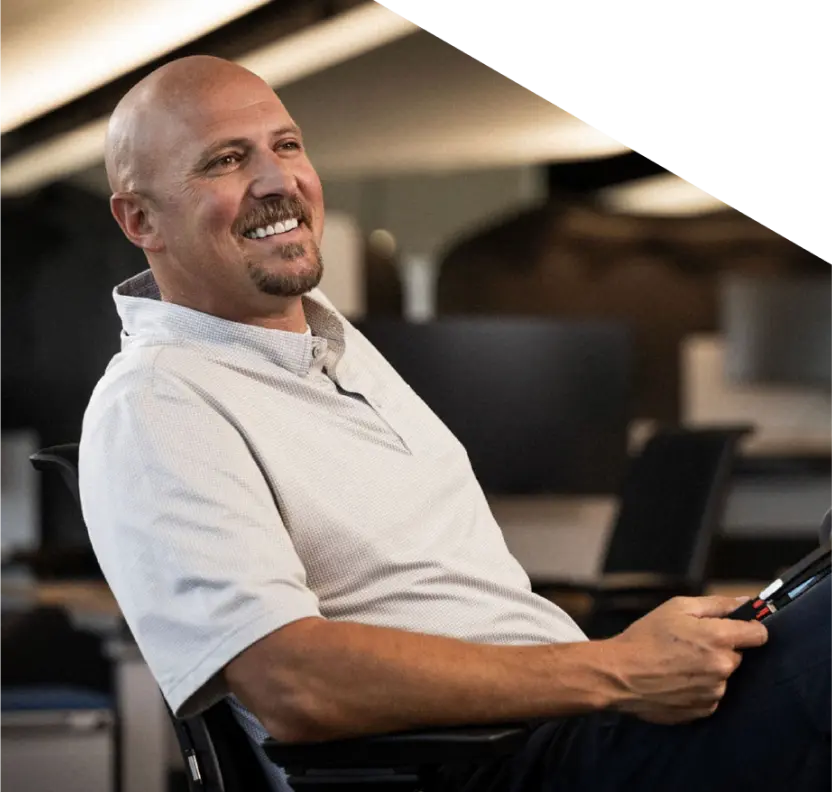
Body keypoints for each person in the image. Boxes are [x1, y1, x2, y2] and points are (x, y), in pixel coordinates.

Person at [78, 55, 831, 792]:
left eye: (287, 145)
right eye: (225, 160)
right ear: (141, 217)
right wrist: (622, 670)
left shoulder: (328, 346)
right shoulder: (157, 400)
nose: (279, 180)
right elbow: (289, 682)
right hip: (500, 762)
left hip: (574, 722)